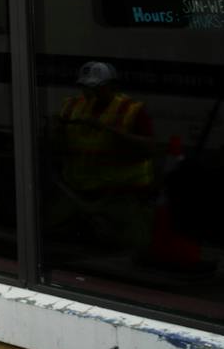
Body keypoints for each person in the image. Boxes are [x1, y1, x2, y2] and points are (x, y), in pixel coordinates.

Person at [51, 61, 155, 249]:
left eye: (96, 88)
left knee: (134, 243)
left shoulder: (130, 110)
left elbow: (149, 147)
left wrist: (108, 130)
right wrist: (55, 131)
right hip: (76, 192)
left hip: (118, 193)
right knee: (53, 232)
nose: (90, 94)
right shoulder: (71, 107)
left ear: (111, 86)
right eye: (85, 88)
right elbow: (58, 145)